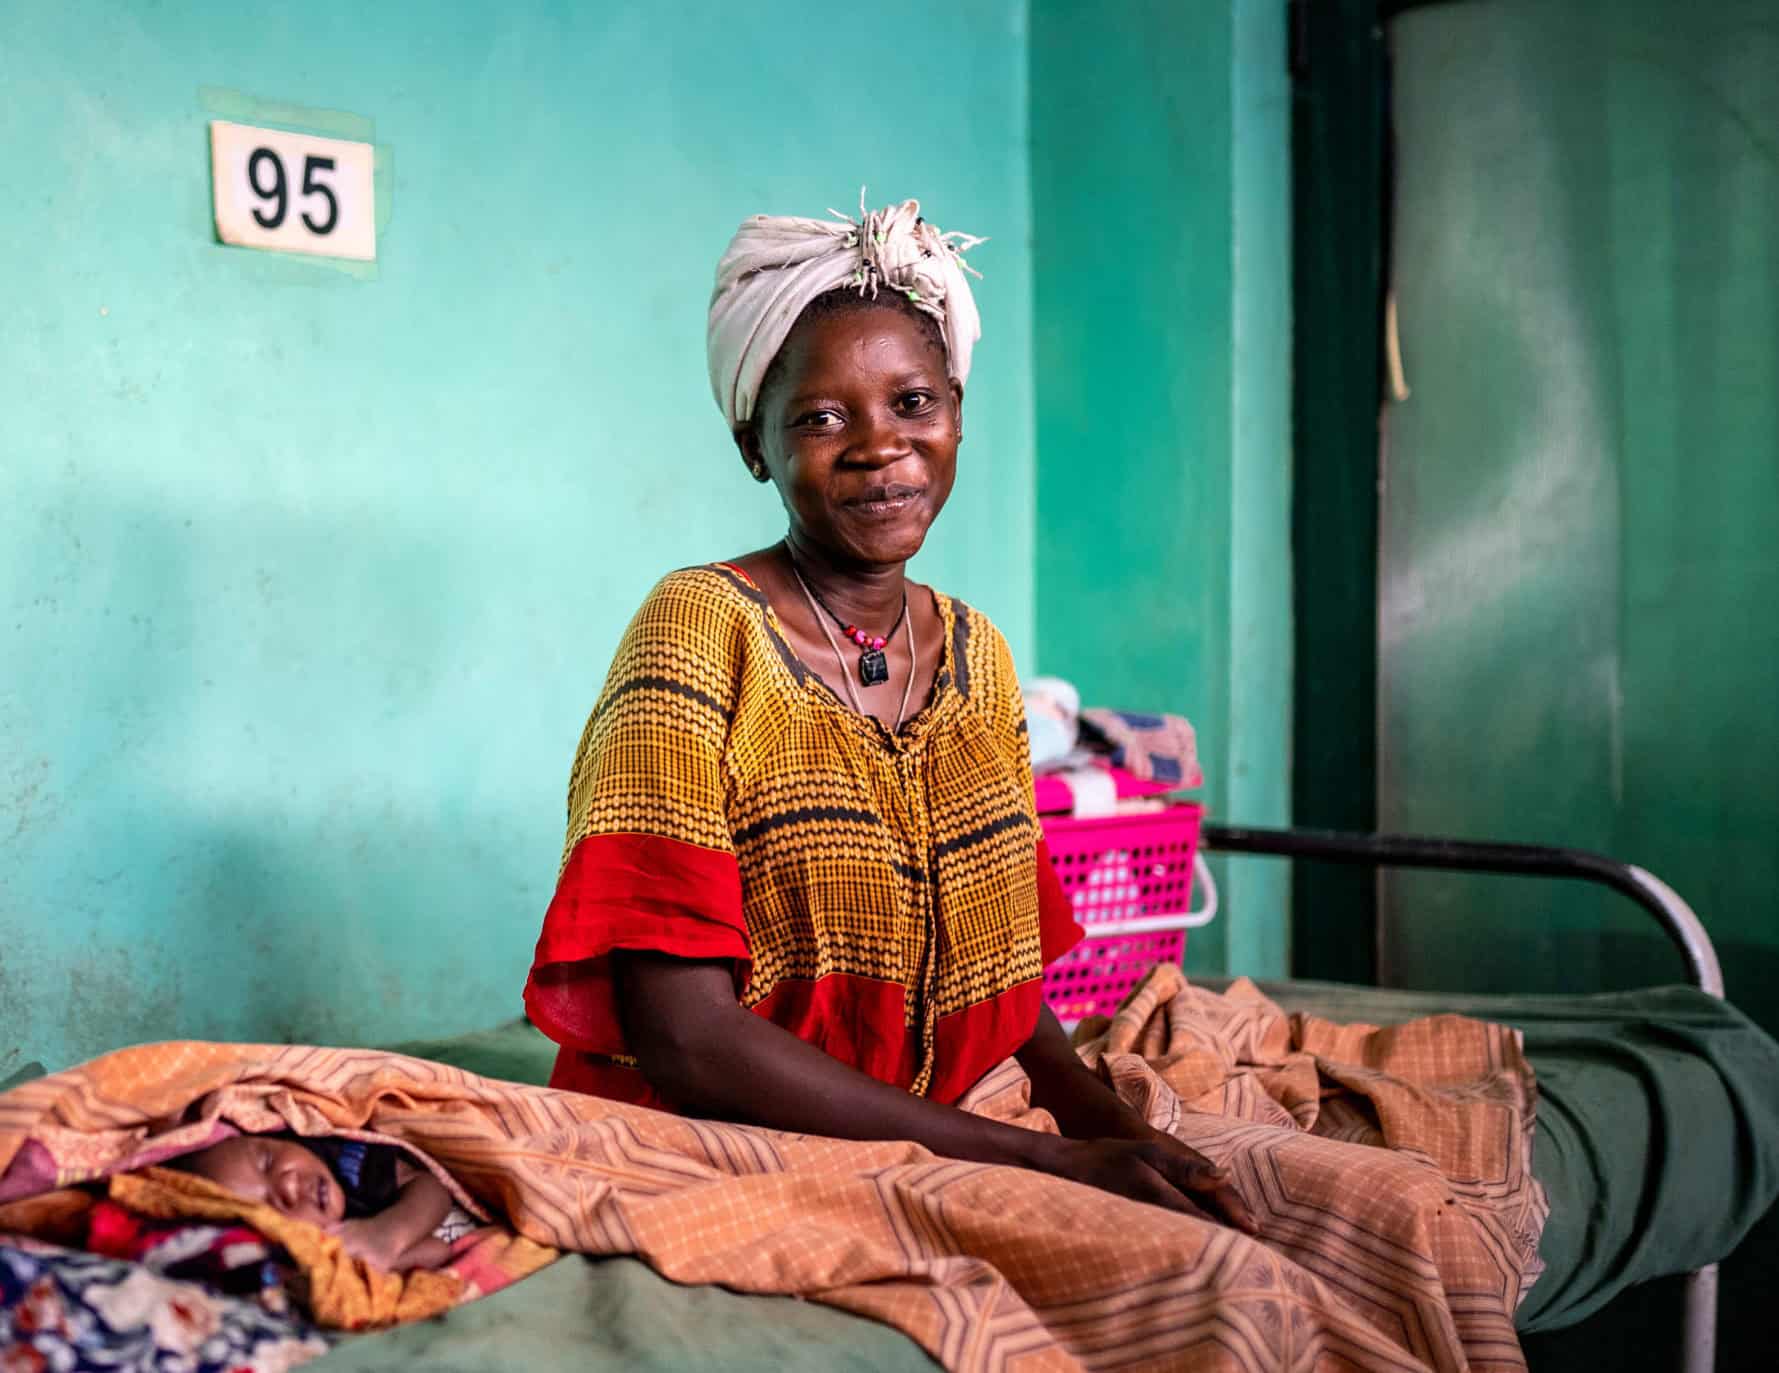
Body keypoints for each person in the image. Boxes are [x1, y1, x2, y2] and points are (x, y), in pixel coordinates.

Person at [523, 197, 1253, 1231]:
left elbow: (997, 971)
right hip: (718, 1143)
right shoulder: (698, 629)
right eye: (822, 417)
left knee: (1338, 1218)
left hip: (947, 1124)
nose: (879, 447)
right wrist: (1045, 1163)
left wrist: (1105, 1121)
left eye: (913, 402)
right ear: (754, 446)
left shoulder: (978, 655)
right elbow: (684, 1037)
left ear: (956, 412)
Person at [174, 1132, 454, 1272]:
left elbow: (430, 1186)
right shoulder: (320, 1244)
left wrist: (388, 1233)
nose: (288, 1184)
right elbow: (438, 1250)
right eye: (269, 1207)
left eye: (268, 1160)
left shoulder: (340, 1155)